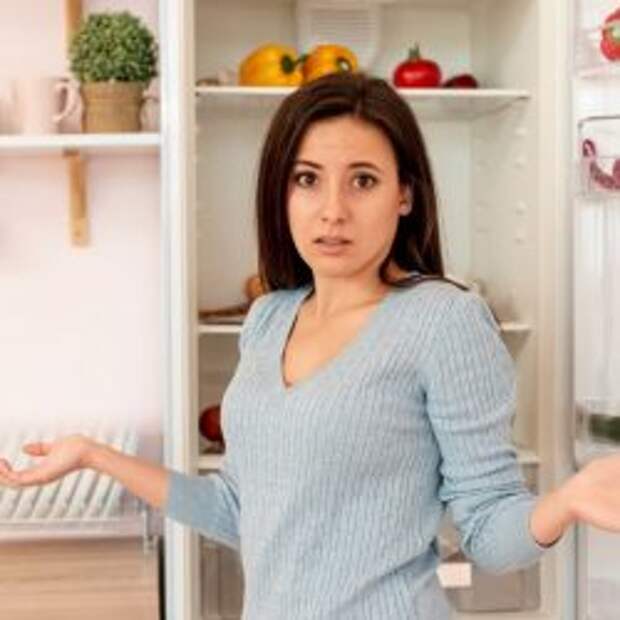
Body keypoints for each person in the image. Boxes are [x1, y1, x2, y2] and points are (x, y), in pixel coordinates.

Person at [1, 72, 620, 619]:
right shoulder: (269, 318)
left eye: (363, 181)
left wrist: (566, 500)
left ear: (404, 194)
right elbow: (238, 510)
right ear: (282, 191)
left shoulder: (444, 321)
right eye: (307, 179)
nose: (332, 211)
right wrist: (95, 457)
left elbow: (488, 530)